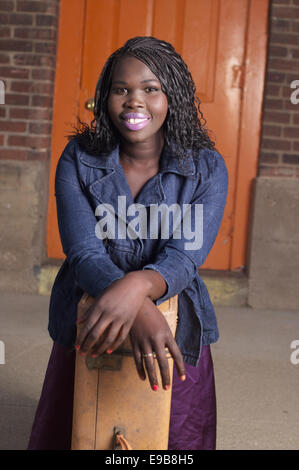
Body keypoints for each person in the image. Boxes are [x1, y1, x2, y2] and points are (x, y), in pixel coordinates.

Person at [27, 36, 228, 451]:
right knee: (83, 427)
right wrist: (137, 309)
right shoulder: (78, 158)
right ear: (106, 96)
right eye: (122, 89)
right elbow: (84, 252)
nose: (135, 101)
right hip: (94, 309)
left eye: (151, 89)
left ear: (173, 95)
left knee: (172, 435)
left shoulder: (206, 166)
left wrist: (138, 291)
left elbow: (184, 257)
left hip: (174, 319)